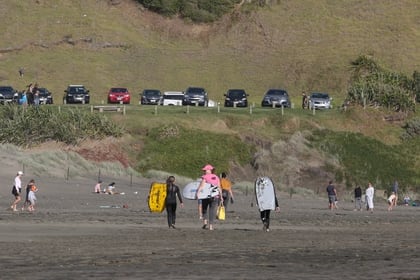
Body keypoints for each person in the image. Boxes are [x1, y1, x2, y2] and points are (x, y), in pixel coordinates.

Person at [196, 164, 223, 231]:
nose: (204, 171)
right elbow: (219, 187)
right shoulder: (216, 177)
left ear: (210, 170)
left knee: (204, 209)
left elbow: (202, 186)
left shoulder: (205, 177)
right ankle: (211, 226)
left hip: (206, 196)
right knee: (212, 211)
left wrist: (197, 193)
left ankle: (205, 221)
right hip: (215, 196)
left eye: (205, 170)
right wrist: (221, 196)